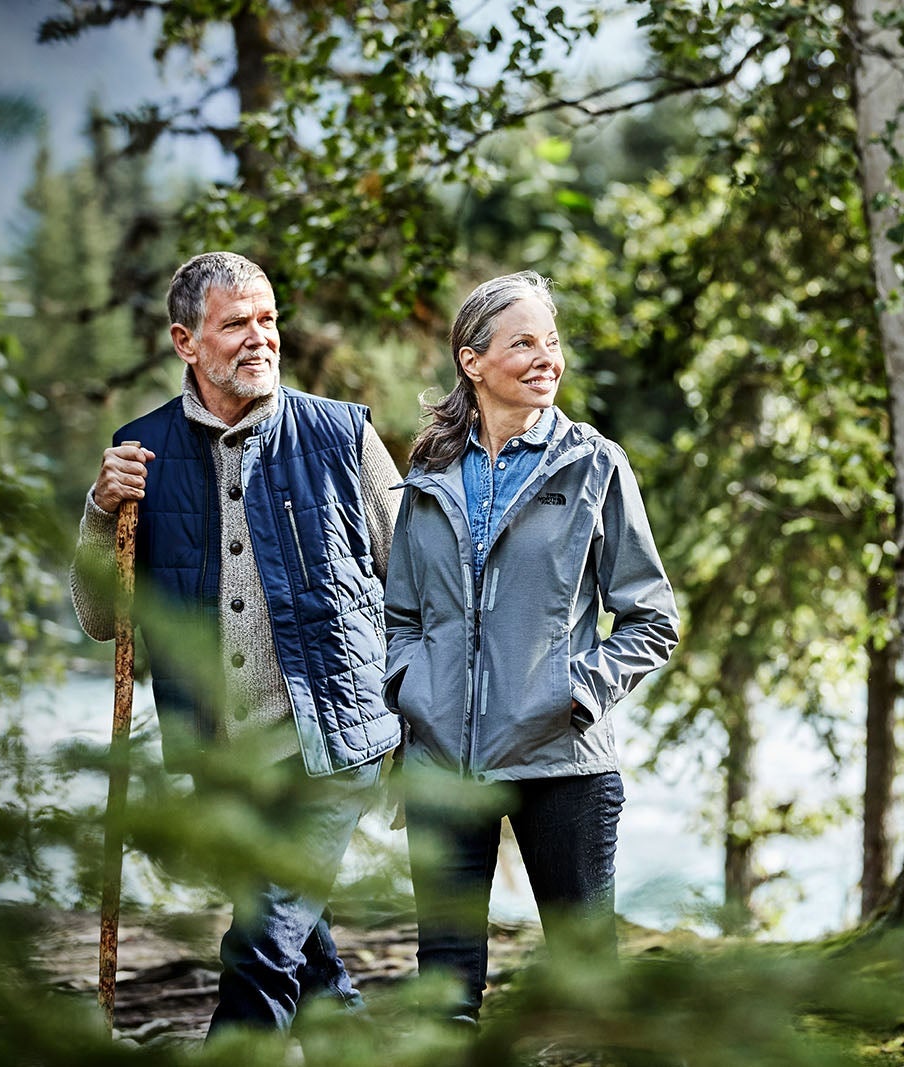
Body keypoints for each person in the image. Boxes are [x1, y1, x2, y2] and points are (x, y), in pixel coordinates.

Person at [69, 251, 403, 1037]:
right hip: (221, 755)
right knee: (304, 956)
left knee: (258, 952)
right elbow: (98, 616)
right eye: (236, 324)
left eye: (268, 320)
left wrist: (413, 710)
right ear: (186, 341)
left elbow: (419, 582)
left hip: (337, 738)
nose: (260, 339)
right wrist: (97, 509)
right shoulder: (139, 451)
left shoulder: (342, 434)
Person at [383, 270, 679, 1024]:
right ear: (472, 361)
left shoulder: (592, 464)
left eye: (552, 341)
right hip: (443, 762)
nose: (547, 357)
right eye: (524, 342)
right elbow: (403, 614)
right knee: (444, 987)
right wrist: (410, 686)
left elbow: (651, 618)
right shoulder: (430, 473)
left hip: (562, 764)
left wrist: (577, 694)